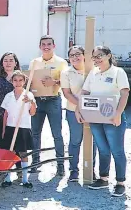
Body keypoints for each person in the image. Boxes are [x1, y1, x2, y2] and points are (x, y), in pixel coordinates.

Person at [79, 45, 129, 197]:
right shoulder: (93, 73)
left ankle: (120, 182)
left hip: (113, 116)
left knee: (117, 150)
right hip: (96, 118)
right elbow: (84, 92)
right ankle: (103, 178)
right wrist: (78, 109)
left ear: (108, 55)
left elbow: (125, 93)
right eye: (94, 57)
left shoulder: (117, 72)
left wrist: (118, 114)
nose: (97, 59)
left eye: (100, 56)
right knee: (103, 149)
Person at [28, 35, 67, 175]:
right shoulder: (34, 62)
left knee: (57, 134)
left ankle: (60, 164)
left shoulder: (61, 62)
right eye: (43, 44)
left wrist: (55, 82)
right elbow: (29, 81)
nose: (46, 46)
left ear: (53, 46)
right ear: (40, 47)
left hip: (53, 100)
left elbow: (67, 82)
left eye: (49, 44)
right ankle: (35, 161)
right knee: (35, 133)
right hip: (37, 100)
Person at [61, 46, 98, 182]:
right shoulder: (66, 73)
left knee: (91, 142)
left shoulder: (93, 70)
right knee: (75, 141)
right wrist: (81, 106)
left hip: (93, 112)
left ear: (84, 55)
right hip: (73, 111)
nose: (75, 57)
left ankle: (90, 170)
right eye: (72, 55)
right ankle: (73, 170)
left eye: (78, 54)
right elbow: (67, 93)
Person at [0, 71, 37, 188]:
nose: (18, 83)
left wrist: (31, 102)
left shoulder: (28, 95)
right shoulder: (8, 96)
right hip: (11, 127)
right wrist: (3, 129)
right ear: (12, 82)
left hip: (23, 127)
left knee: (23, 153)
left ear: (24, 81)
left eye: (20, 80)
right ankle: (7, 178)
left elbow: (32, 112)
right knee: (10, 152)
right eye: (15, 80)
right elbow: (5, 113)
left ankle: (25, 179)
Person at [0, 52, 22, 147]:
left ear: (15, 63)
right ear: (2, 63)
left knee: (16, 145)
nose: (8, 63)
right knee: (0, 143)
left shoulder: (21, 79)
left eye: (11, 60)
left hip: (15, 115)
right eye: (5, 60)